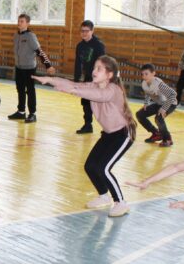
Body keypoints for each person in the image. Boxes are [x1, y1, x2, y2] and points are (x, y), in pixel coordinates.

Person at [35, 55, 137, 217]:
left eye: (99, 68)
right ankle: (104, 196)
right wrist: (50, 79)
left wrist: (74, 91)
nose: (94, 71)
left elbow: (99, 96)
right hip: (109, 134)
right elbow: (74, 84)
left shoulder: (113, 90)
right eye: (94, 67)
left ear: (109, 75)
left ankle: (121, 203)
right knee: (90, 166)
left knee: (103, 168)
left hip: (123, 134)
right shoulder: (93, 86)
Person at [7, 13, 55, 123]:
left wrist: (48, 65)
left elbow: (40, 52)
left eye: (22, 21)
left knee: (30, 90)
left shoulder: (31, 36)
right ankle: (21, 112)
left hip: (29, 68)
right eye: (18, 21)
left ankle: (32, 114)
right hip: (19, 67)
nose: (19, 23)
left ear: (28, 23)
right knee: (20, 89)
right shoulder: (16, 35)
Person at [74, 20, 106, 134]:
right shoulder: (80, 46)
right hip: (88, 77)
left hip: (99, 79)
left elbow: (103, 63)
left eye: (86, 31)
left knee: (100, 103)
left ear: (92, 31)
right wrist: (76, 80)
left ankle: (107, 127)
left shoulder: (98, 45)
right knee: (86, 102)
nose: (84, 33)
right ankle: (88, 125)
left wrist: (100, 80)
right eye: (82, 31)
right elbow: (78, 63)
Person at [136, 63, 178, 147]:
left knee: (158, 118)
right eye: (142, 74)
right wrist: (146, 103)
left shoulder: (159, 84)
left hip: (170, 103)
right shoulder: (144, 83)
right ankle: (156, 134)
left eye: (146, 74)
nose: (144, 76)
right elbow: (148, 92)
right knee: (140, 114)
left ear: (153, 73)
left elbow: (173, 94)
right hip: (159, 104)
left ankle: (168, 139)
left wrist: (164, 108)